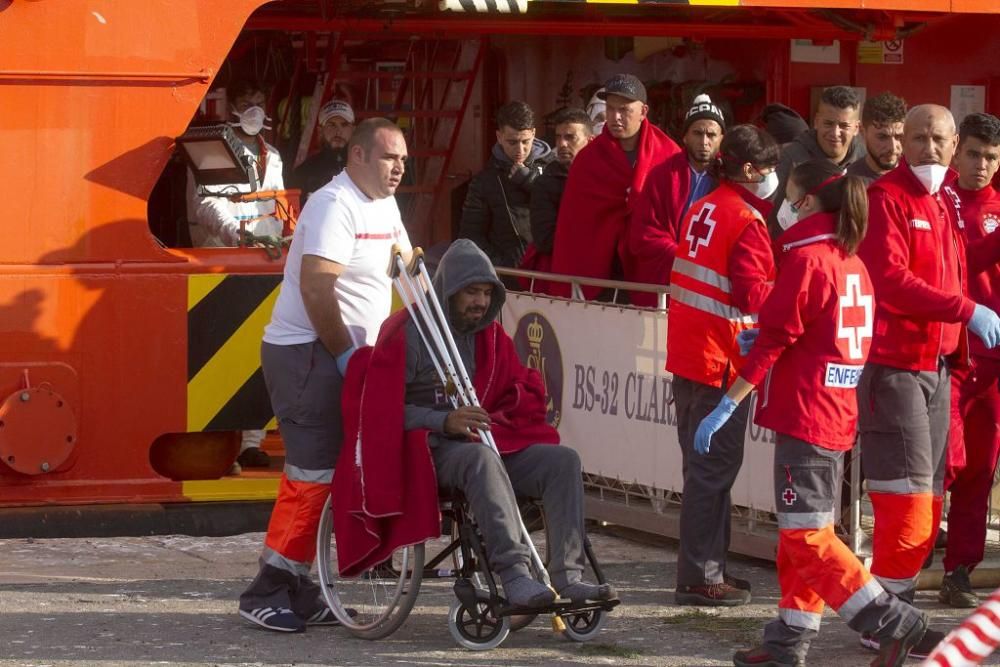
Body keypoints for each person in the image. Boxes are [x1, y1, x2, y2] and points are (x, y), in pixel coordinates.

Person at [696, 159, 929, 667]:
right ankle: (788, 640)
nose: (782, 202)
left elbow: (775, 341)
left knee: (805, 536)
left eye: (790, 194)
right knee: (802, 533)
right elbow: (820, 336)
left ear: (806, 202)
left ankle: (894, 623)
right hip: (832, 413)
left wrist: (727, 403)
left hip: (806, 416)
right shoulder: (850, 261)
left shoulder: (808, 260)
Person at [332, 239, 615, 608]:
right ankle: (514, 574)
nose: (480, 302)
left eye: (486, 293)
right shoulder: (408, 332)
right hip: (428, 449)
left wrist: (501, 412)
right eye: (471, 292)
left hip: (485, 439)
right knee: (480, 460)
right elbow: (380, 412)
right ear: (450, 289)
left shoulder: (491, 336)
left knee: (563, 461)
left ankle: (568, 576)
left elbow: (510, 389)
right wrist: (444, 420)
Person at [237, 118, 411, 633]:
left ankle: (301, 585)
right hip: (309, 354)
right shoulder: (335, 205)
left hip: (349, 354)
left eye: (403, 157)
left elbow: (405, 264)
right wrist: (345, 355)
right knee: (311, 476)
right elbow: (317, 289)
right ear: (356, 156)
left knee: (330, 475)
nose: (399, 166)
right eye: (388, 157)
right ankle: (267, 587)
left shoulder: (383, 202)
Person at [855, 104, 1000, 658]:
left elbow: (958, 268)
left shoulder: (940, 200)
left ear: (953, 141)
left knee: (930, 494)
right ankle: (887, 617)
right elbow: (890, 281)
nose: (928, 150)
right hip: (895, 366)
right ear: (900, 142)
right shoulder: (886, 199)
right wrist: (968, 312)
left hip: (939, 366)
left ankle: (900, 614)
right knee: (907, 498)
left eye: (938, 140)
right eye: (917, 140)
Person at [667, 125, 779, 607]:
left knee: (701, 472)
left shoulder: (702, 205)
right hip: (721, 364)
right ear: (749, 170)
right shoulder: (747, 220)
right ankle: (701, 576)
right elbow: (756, 294)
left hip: (690, 356)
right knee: (712, 474)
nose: (774, 177)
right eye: (769, 168)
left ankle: (710, 567)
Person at [186, 78, 285, 471]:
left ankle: (251, 441)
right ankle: (217, 442)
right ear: (232, 106)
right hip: (218, 264)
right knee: (214, 351)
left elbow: (275, 202)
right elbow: (205, 204)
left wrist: (274, 234)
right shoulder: (210, 152)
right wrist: (241, 234)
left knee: (256, 350)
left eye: (260, 101)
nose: (254, 111)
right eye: (247, 101)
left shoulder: (271, 155)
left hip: (261, 264)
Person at [939, 113, 1000, 609]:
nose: (981, 165)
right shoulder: (939, 200)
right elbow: (960, 264)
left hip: (993, 362)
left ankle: (958, 569)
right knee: (942, 465)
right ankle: (907, 561)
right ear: (957, 152)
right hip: (946, 356)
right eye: (975, 154)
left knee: (979, 470)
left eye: (992, 157)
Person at [550, 74, 680, 300]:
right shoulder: (587, 160)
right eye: (610, 109)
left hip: (650, 270)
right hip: (601, 272)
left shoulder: (668, 155)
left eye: (624, 110)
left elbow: (677, 215)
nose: (615, 117)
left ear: (643, 112)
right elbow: (573, 226)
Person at [629, 93, 726, 306]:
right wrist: (682, 255)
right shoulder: (662, 175)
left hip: (712, 285)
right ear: (685, 136)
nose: (704, 142)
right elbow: (644, 231)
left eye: (712, 134)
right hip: (666, 281)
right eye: (697, 133)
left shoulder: (729, 179)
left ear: (722, 138)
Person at [459, 101, 551, 269]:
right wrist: (504, 265)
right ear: (499, 137)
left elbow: (567, 205)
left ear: (534, 133)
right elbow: (471, 236)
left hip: (551, 269)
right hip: (512, 275)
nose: (520, 150)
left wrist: (529, 181)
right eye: (512, 142)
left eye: (526, 141)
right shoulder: (484, 182)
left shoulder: (552, 166)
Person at [768, 86, 865, 233]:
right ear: (816, 121)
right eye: (828, 123)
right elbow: (767, 213)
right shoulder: (790, 158)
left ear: (857, 128)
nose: (835, 133)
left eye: (844, 125)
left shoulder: (865, 161)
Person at [520, 107, 593, 276]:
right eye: (558, 137)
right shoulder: (545, 184)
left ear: (590, 140)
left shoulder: (604, 179)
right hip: (562, 276)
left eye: (570, 137)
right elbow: (545, 240)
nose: (561, 144)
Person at [290, 99, 355, 203]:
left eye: (344, 124)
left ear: (353, 129)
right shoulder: (304, 172)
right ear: (320, 130)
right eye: (331, 125)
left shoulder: (365, 169)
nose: (338, 131)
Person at [847, 92, 907, 185]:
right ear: (863, 132)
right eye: (882, 137)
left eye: (898, 137)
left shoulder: (916, 177)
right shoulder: (848, 182)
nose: (893, 148)